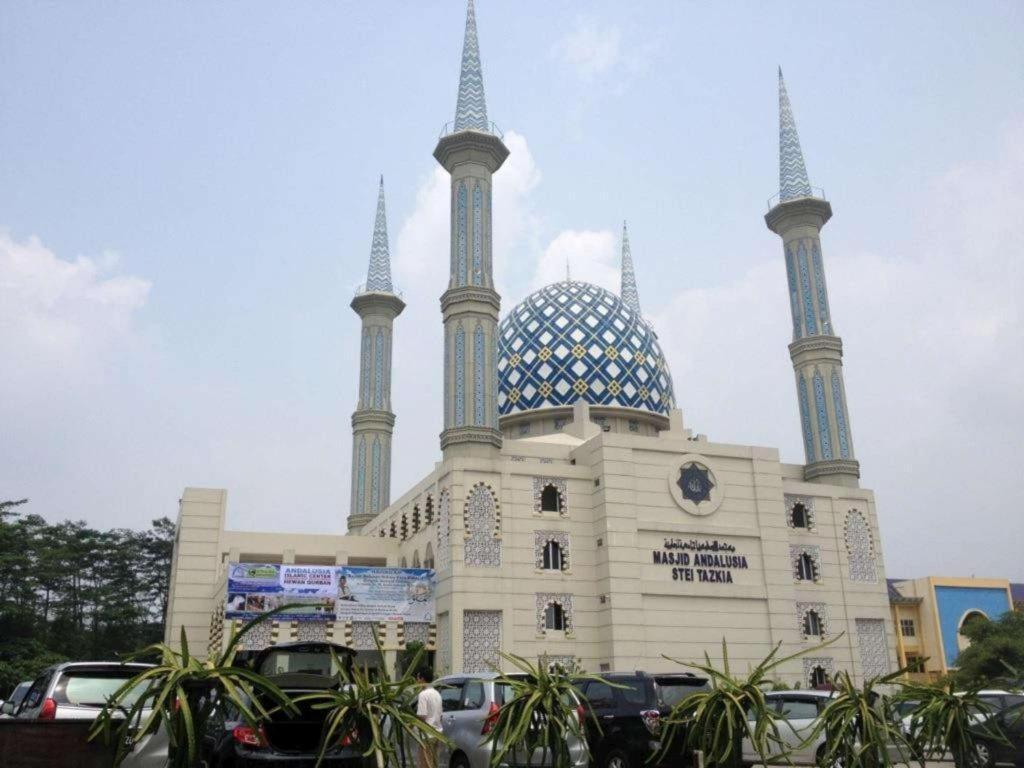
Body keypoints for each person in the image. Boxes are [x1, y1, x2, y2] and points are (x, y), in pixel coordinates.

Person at [415, 668, 442, 768]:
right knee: (434, 764)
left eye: (417, 678)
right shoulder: (437, 694)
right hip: (438, 734)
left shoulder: (423, 695)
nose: (417, 681)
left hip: (427, 736)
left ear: (422, 679)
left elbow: (422, 716)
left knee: (425, 764)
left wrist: (411, 723)